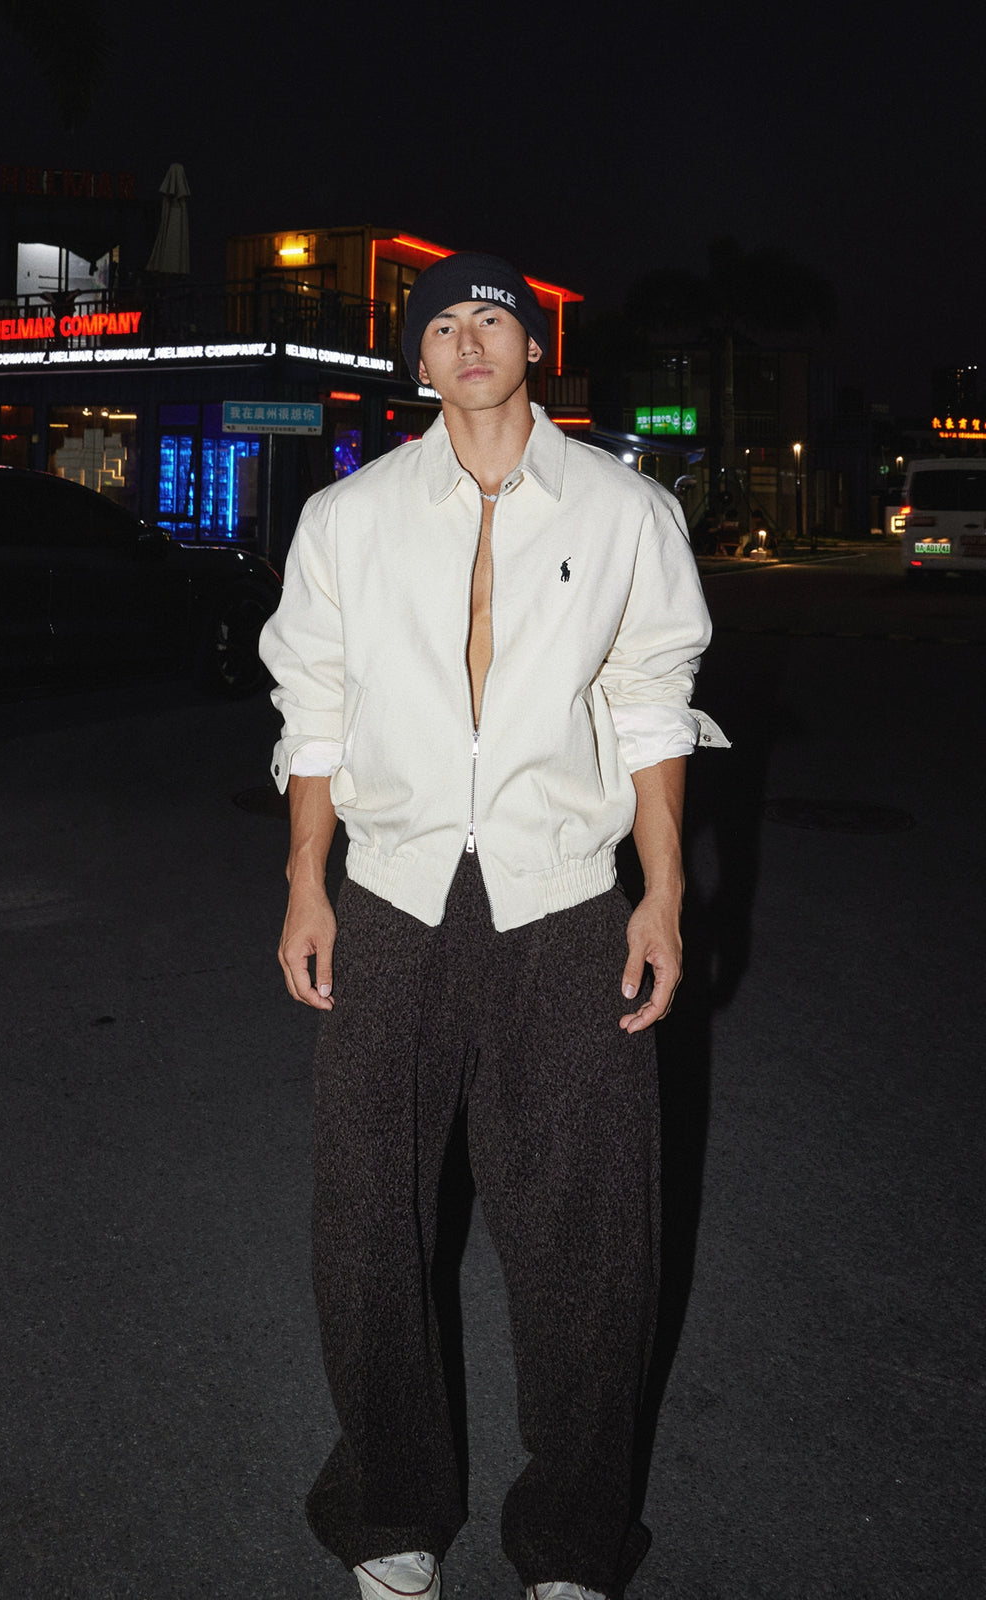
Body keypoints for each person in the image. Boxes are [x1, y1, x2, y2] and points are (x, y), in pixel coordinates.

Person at [259, 252, 726, 1600]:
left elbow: (651, 701)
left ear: (532, 348)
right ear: (417, 360)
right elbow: (314, 710)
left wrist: (663, 893)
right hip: (391, 891)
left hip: (563, 895)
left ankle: (571, 1538)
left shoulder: (626, 510)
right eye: (442, 324)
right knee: (366, 1221)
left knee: (591, 1233)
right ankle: (390, 1508)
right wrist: (305, 881)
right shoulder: (349, 517)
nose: (468, 339)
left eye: (492, 319)